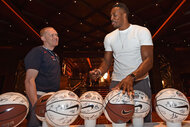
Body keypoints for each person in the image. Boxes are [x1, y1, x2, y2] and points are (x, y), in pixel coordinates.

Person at [89, 3, 153, 122]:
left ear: (124, 15)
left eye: (114, 15)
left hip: (139, 81)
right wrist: (99, 71)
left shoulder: (142, 31)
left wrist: (131, 76)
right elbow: (107, 62)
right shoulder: (109, 37)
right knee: (117, 119)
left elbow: (149, 61)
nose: (111, 18)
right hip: (117, 82)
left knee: (142, 121)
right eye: (111, 16)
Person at [24, 27, 61, 126]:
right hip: (40, 96)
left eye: (56, 35)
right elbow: (29, 80)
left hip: (52, 97)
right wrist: (36, 104)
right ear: (43, 38)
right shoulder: (38, 51)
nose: (56, 37)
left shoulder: (56, 56)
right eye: (52, 35)